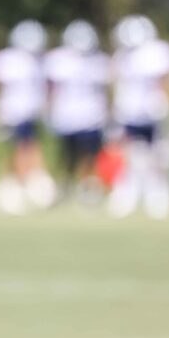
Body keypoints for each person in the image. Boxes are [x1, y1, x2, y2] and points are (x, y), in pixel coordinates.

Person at [106, 15, 169, 219]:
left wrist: (163, 102)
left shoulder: (158, 52)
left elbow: (165, 80)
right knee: (131, 156)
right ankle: (127, 194)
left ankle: (158, 195)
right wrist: (115, 112)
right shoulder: (122, 56)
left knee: (159, 155)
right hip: (129, 113)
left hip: (153, 112)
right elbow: (118, 85)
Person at [0, 20, 56, 214]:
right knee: (18, 149)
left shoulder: (41, 60)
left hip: (31, 111)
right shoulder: (8, 58)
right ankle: (14, 188)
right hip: (12, 112)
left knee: (29, 146)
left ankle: (26, 185)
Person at [44, 19, 111, 205]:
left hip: (91, 116)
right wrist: (49, 111)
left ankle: (87, 188)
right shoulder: (58, 60)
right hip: (66, 117)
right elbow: (51, 90)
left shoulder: (99, 61)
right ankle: (63, 187)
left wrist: (108, 113)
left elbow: (105, 92)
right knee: (66, 157)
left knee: (89, 156)